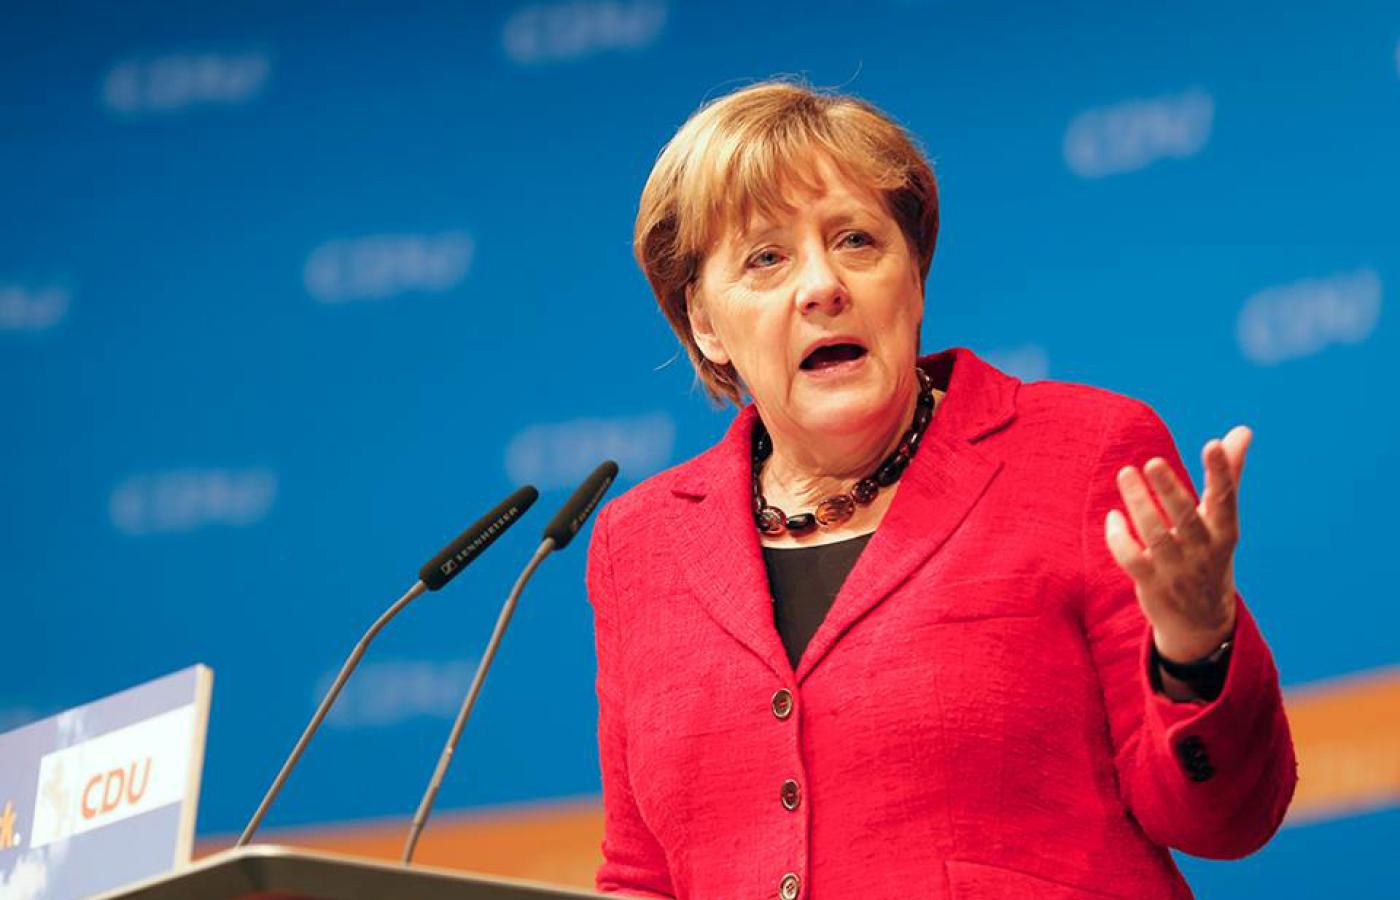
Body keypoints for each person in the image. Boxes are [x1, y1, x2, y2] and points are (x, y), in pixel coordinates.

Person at [585, 80, 1296, 900]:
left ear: (914, 279)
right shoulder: (639, 546)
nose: (822, 285)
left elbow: (1224, 821)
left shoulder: (1082, 454)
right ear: (705, 323)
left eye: (856, 240)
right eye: (766, 258)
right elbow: (641, 873)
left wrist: (1198, 647)